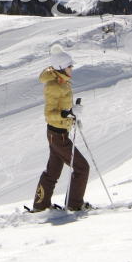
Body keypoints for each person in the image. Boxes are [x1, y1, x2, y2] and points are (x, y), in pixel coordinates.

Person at [31, 44, 91, 212]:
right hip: (58, 136)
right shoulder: (54, 86)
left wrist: (72, 117)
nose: (72, 68)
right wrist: (68, 113)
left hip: (58, 133)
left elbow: (62, 109)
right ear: (60, 68)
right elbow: (49, 114)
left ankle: (41, 206)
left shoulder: (62, 82)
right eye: (69, 65)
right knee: (82, 167)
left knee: (53, 171)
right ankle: (74, 204)